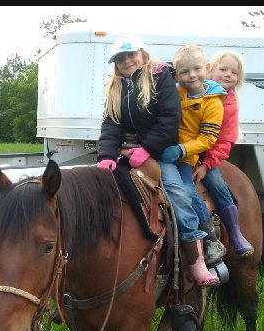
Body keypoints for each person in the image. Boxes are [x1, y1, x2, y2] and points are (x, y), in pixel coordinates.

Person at [97, 34, 220, 286]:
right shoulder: (116, 87)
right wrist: (106, 156)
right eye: (121, 58)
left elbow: (169, 118)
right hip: (127, 153)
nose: (127, 61)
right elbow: (111, 124)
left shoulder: (160, 77)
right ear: (115, 63)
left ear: (142, 54)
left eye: (131, 54)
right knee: (99, 190)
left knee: (177, 192)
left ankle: (196, 259)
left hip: (160, 151)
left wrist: (148, 148)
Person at [161, 44, 228, 268]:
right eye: (184, 72)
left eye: (196, 69)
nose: (191, 76)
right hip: (164, 150)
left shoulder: (213, 103)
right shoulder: (176, 92)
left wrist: (181, 150)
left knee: (187, 192)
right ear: (176, 74)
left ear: (207, 68)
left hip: (184, 158)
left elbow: (208, 138)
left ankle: (209, 238)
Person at [193, 51, 254, 256]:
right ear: (210, 69)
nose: (228, 74)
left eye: (234, 72)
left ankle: (235, 232)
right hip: (186, 149)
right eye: (223, 69)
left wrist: (206, 164)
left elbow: (226, 141)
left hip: (208, 156)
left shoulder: (230, 105)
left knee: (217, 184)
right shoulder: (195, 91)